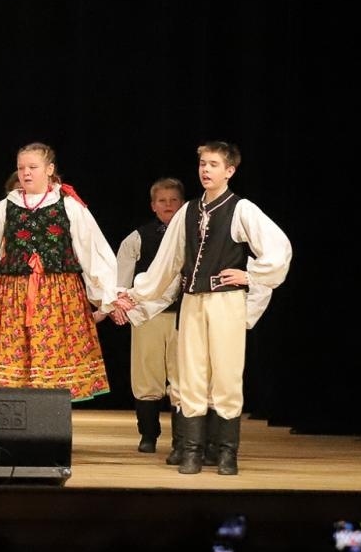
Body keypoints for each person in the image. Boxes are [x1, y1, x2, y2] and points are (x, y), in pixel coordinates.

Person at [115, 142, 291, 475]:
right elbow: (167, 263)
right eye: (202, 164)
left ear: (229, 170)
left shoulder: (241, 210)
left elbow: (279, 251)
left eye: (213, 164)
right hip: (193, 301)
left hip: (226, 301)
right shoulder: (188, 210)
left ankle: (226, 452)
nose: (206, 170)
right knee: (191, 374)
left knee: (225, 374)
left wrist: (250, 273)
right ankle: (192, 450)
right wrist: (136, 295)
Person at [0, 142, 119, 401]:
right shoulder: (5, 207)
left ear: (50, 169)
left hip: (58, 296)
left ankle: (48, 427)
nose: (26, 173)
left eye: (33, 167)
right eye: (21, 168)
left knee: (52, 360)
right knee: (13, 357)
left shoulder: (69, 206)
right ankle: (13, 426)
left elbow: (93, 251)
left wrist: (108, 296)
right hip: (13, 295)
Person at [115, 177, 185, 453]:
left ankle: (182, 438)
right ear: (153, 205)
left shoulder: (192, 235)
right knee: (146, 376)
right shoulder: (139, 237)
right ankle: (148, 434)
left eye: (173, 200)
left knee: (182, 376)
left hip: (183, 315)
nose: (168, 205)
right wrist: (120, 304)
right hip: (147, 317)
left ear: (182, 204)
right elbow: (122, 274)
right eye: (162, 201)